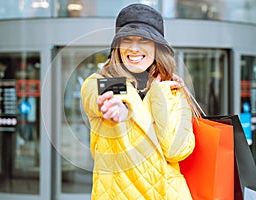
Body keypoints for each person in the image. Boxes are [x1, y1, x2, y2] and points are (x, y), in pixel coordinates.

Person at [81, 3, 195, 199]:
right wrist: (121, 111)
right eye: (126, 40)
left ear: (157, 46)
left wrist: (161, 95)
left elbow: (176, 151)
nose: (134, 48)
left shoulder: (172, 89)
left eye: (144, 40)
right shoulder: (100, 82)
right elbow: (107, 97)